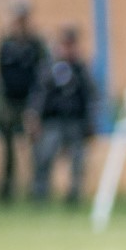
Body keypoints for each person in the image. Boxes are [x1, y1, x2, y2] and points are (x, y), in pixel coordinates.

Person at [25, 25, 97, 205]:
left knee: (78, 162)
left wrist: (90, 122)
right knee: (44, 157)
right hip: (53, 122)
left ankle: (74, 196)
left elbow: (90, 97)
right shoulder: (49, 68)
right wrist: (34, 117)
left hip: (75, 123)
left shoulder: (81, 70)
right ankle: (40, 196)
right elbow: (39, 95)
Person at [0, 0, 49, 202]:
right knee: (8, 152)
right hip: (9, 103)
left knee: (35, 150)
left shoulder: (37, 45)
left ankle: (36, 191)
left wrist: (35, 109)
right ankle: (6, 192)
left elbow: (42, 78)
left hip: (30, 104)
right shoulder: (5, 44)